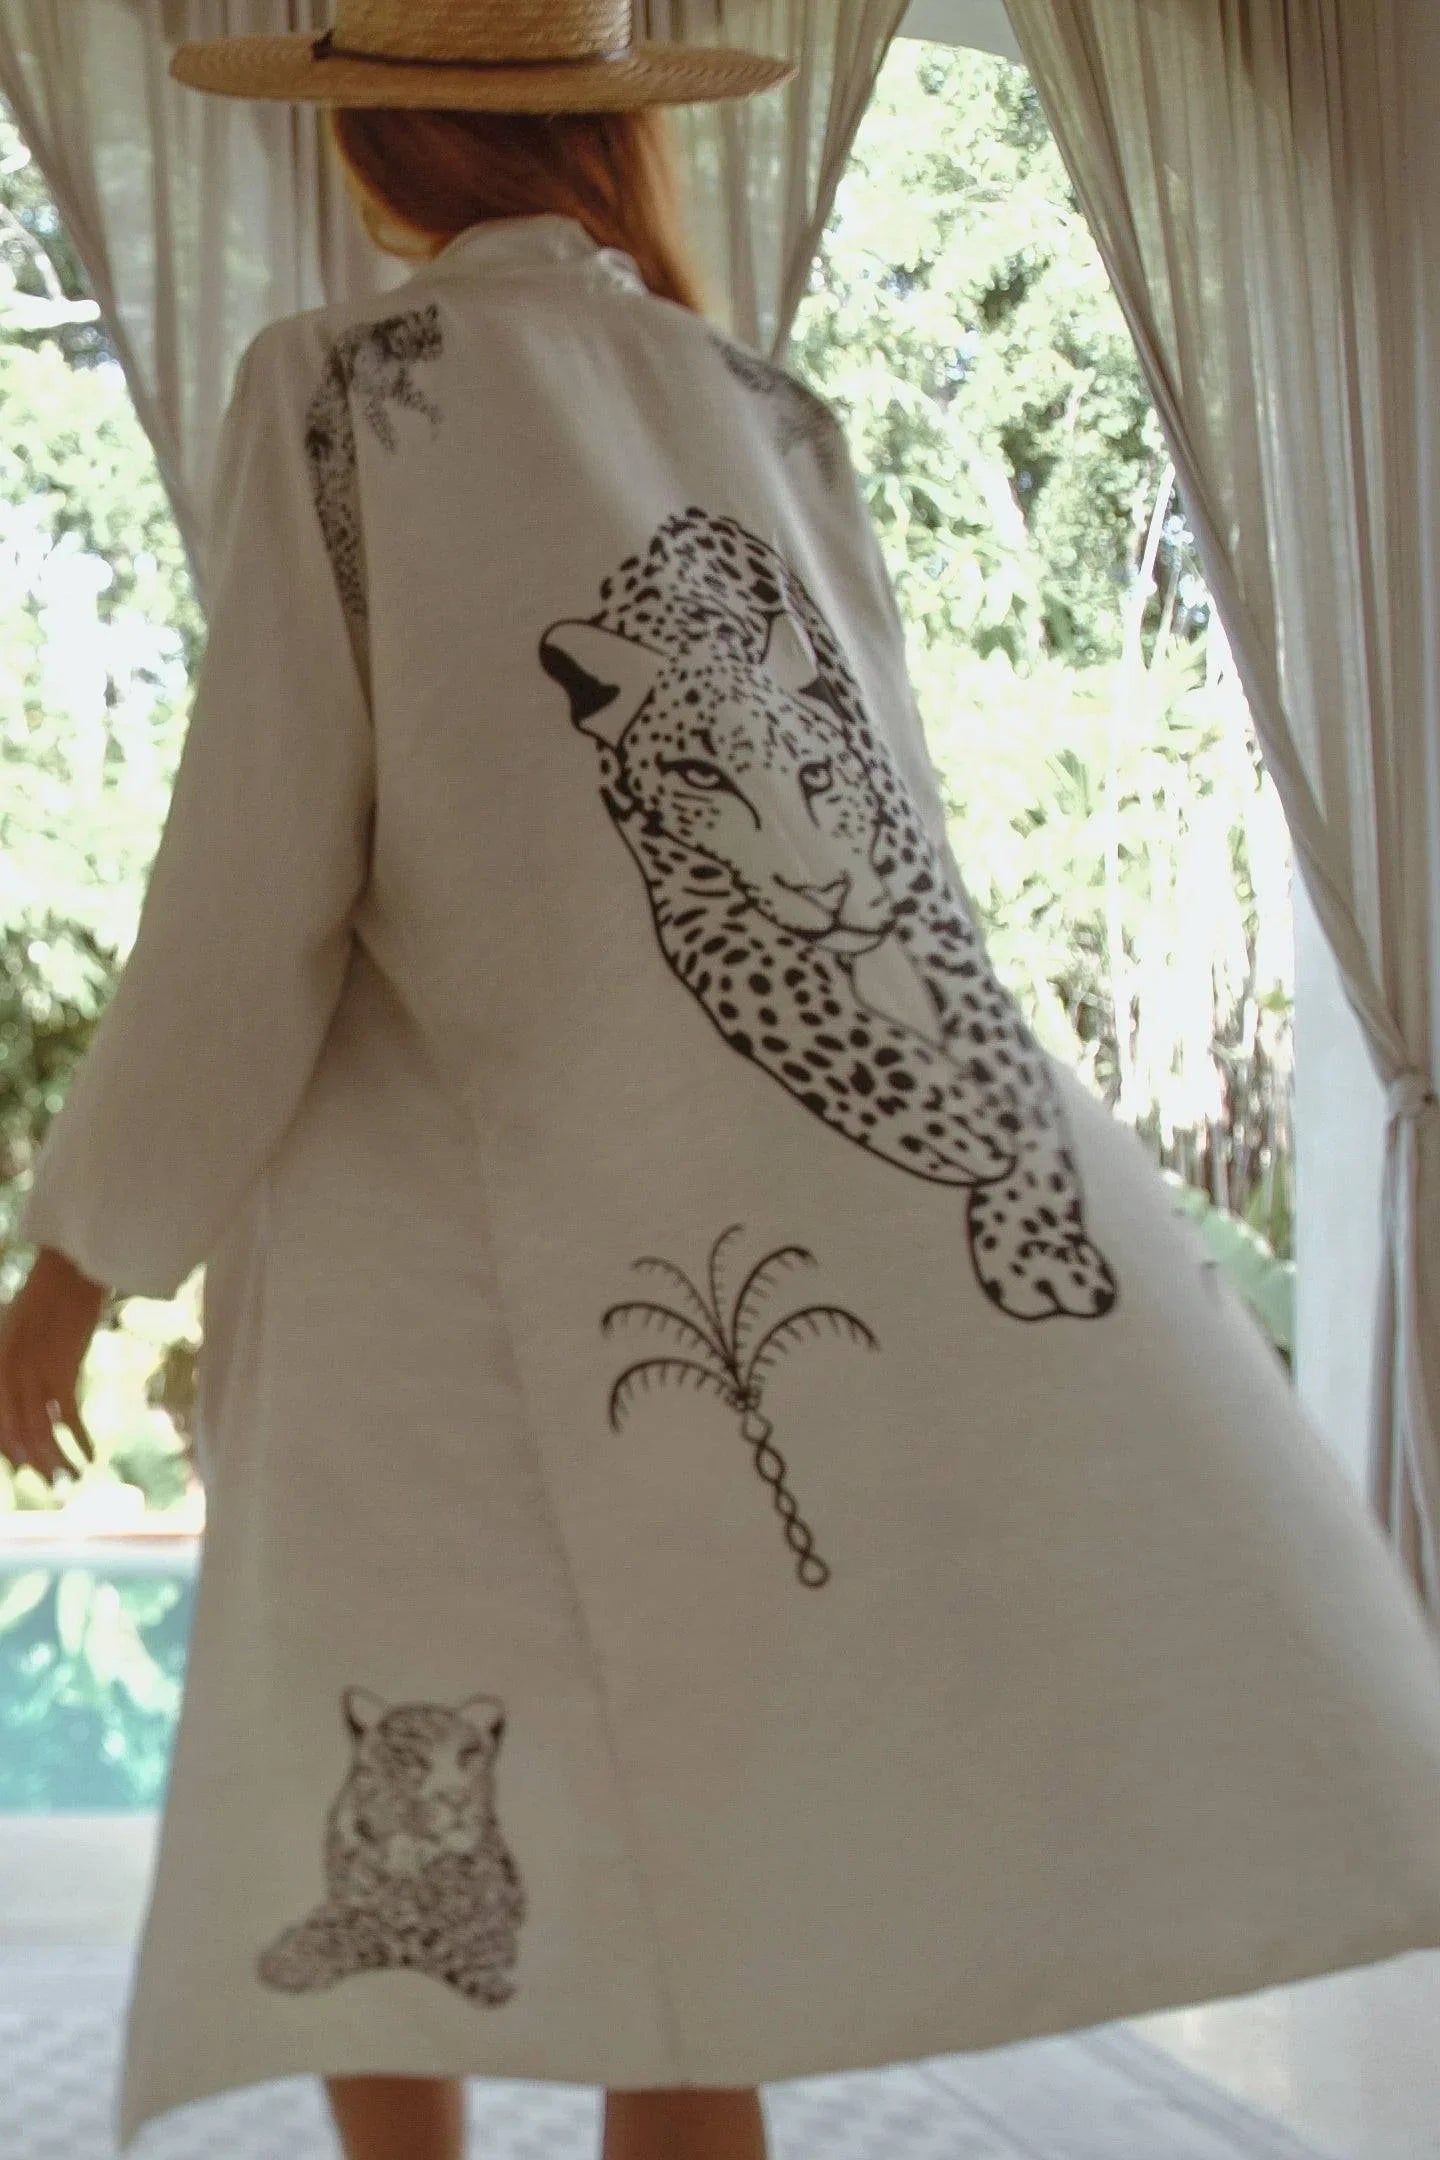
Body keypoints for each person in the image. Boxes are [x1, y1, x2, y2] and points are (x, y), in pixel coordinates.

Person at [7, 5, 1440, 2158]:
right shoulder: (761, 408)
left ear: (371, 134)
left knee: (371, 1811)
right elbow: (893, 877)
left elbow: (258, 874)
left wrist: (77, 1262)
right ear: (603, 142)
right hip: (681, 1237)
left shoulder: (337, 394)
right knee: (694, 1851)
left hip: (406, 1276)